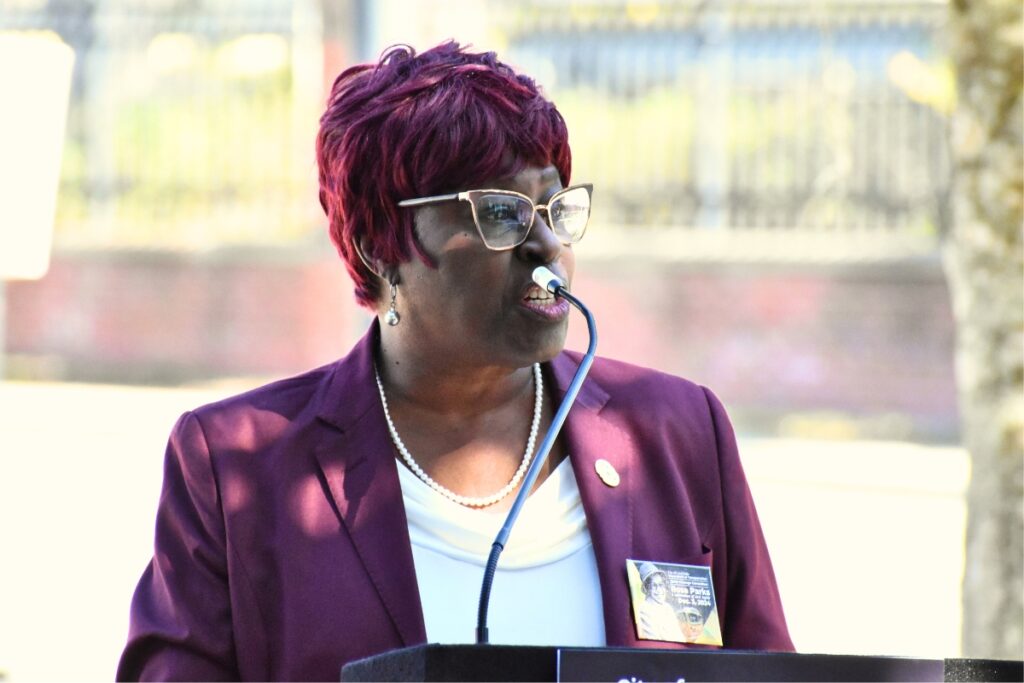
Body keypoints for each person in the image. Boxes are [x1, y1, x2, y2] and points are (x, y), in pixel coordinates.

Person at [117, 41, 793, 681]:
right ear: (380, 244)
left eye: (555, 207)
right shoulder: (236, 465)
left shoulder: (678, 433)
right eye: (501, 213)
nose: (546, 243)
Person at [636, 563, 686, 642]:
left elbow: (680, 637)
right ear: (647, 588)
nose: (659, 590)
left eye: (661, 585)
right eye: (654, 586)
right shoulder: (644, 609)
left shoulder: (667, 607)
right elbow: (654, 640)